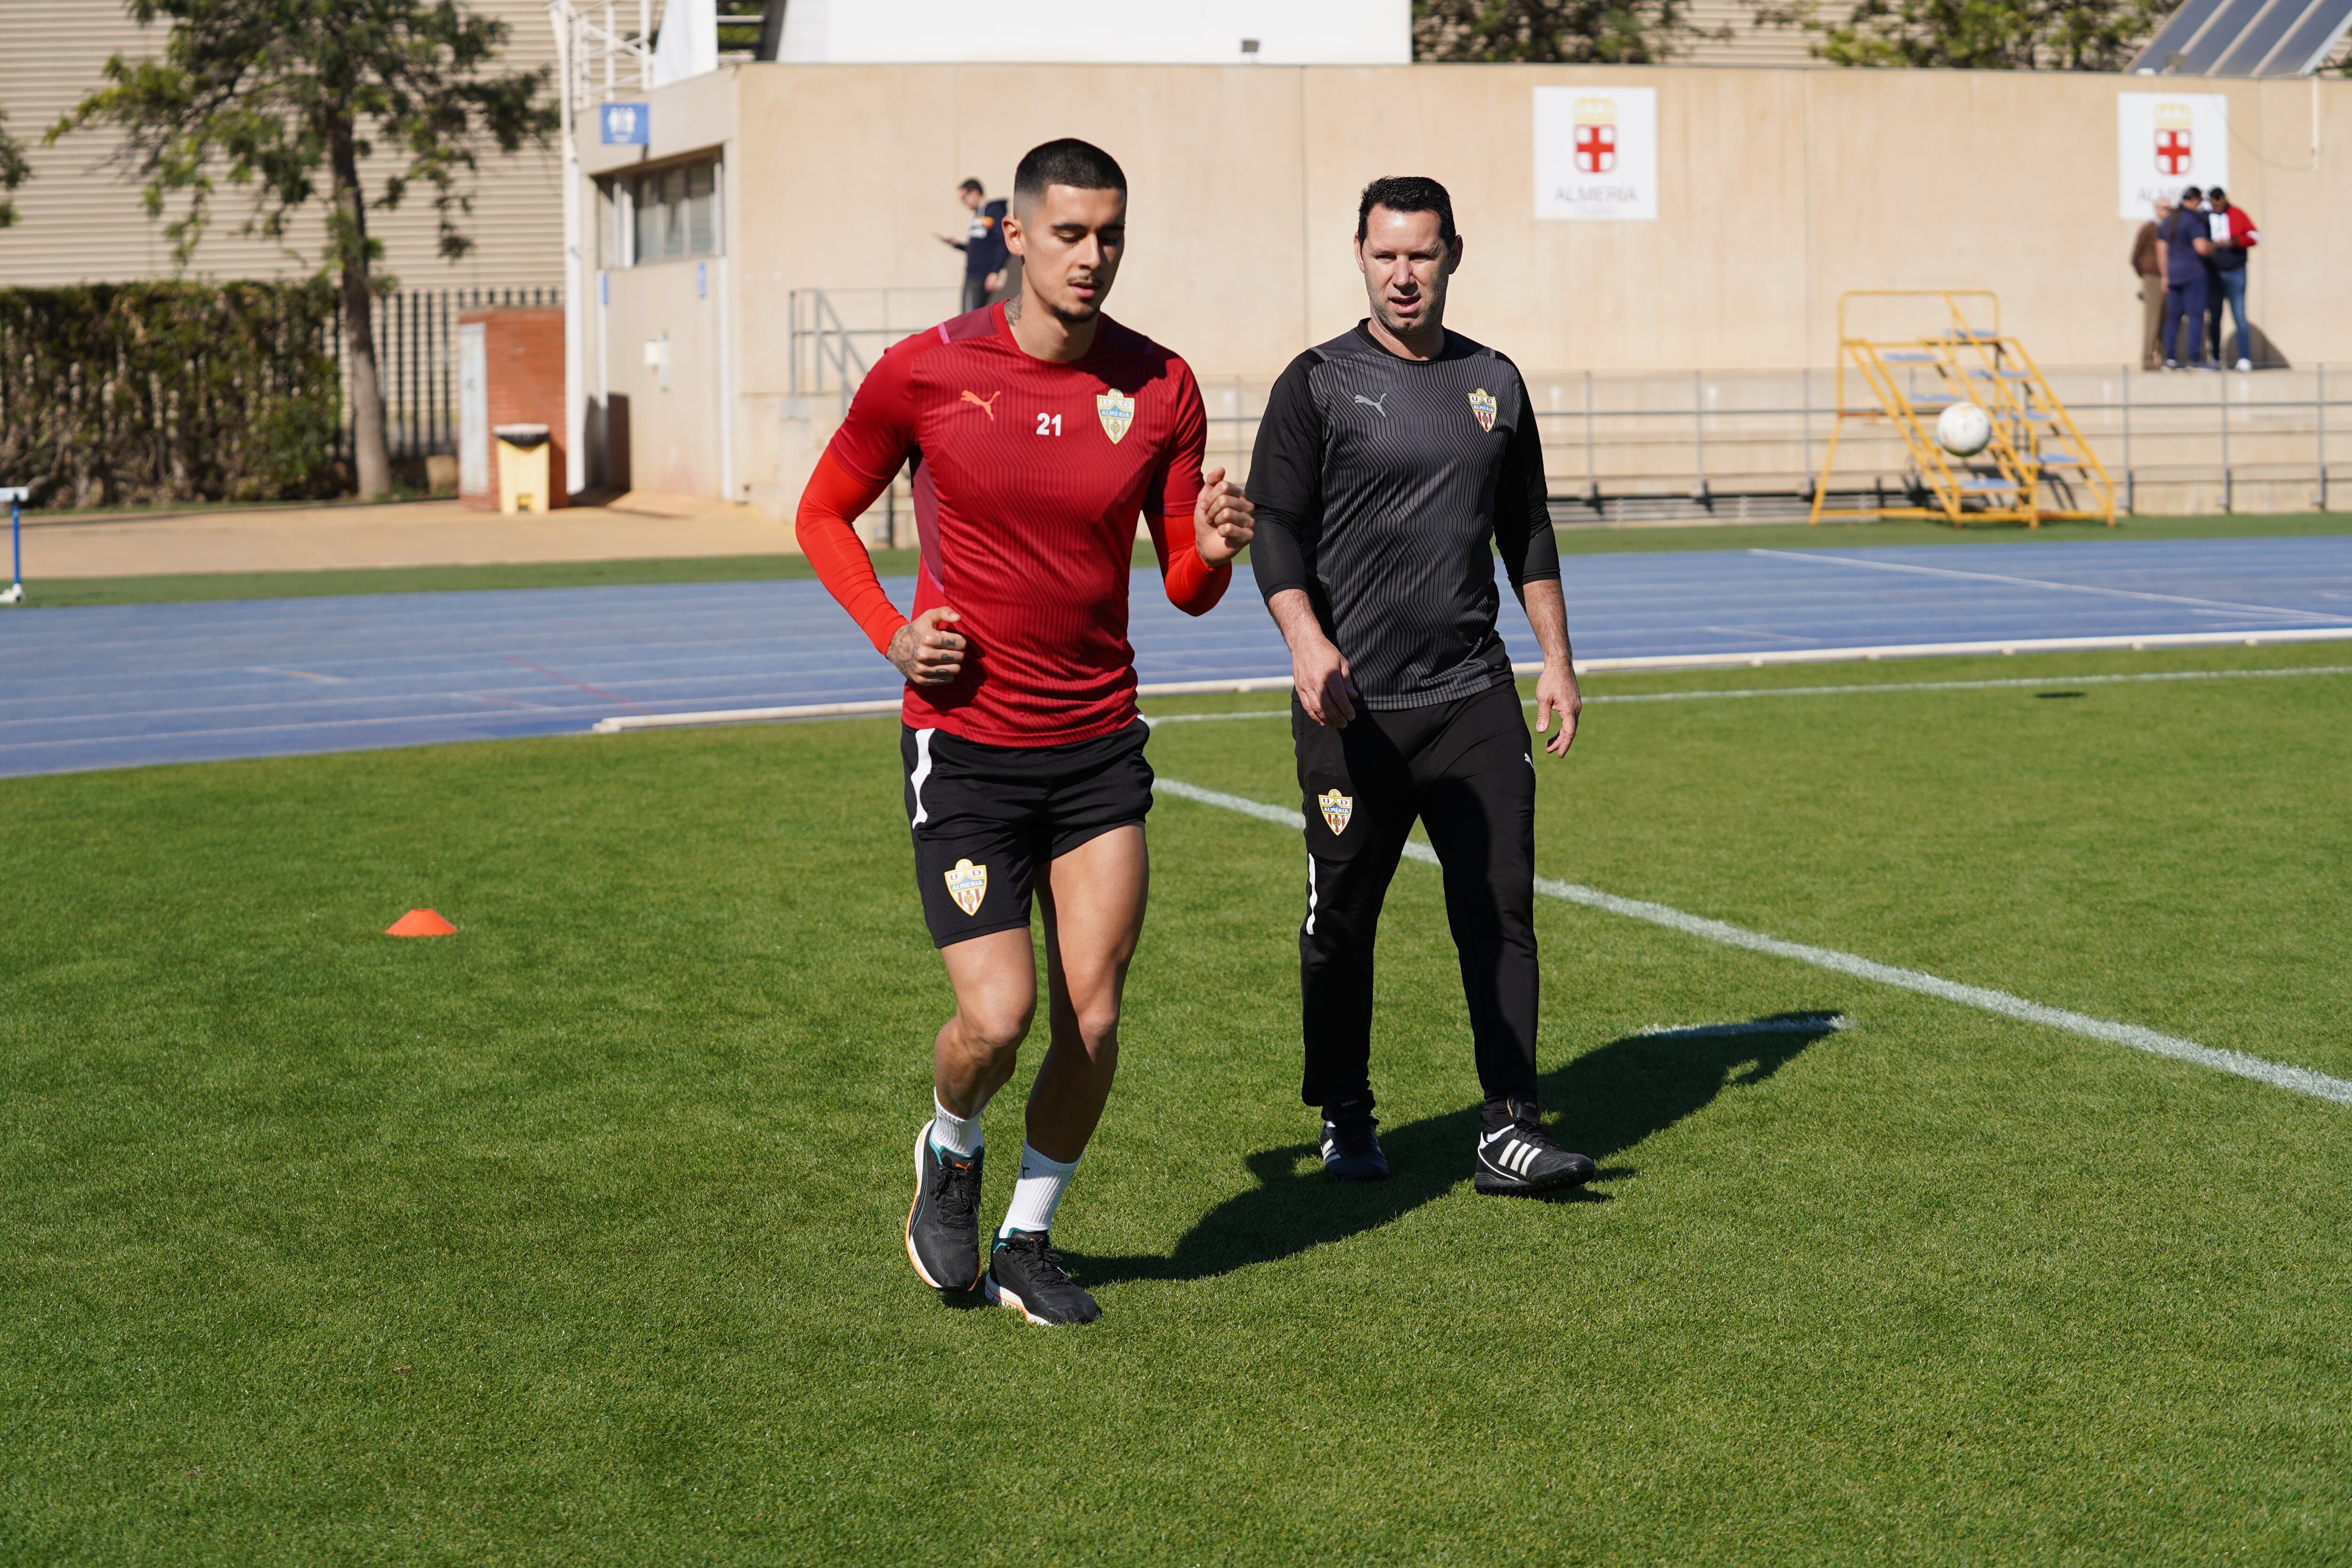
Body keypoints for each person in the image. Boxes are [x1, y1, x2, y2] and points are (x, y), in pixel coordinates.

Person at [797, 139, 1256, 1325]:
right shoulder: (925, 373)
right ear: (1015, 234)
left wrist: (1214, 540)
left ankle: (1028, 1238)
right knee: (997, 1020)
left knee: (1093, 1014)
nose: (1093, 256)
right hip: (967, 749)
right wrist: (892, 635)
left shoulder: (1161, 386)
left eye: (1110, 235)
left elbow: (1186, 588)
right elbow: (824, 510)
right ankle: (949, 1147)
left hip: (1097, 744)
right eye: (1070, 233)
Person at [1240, 175, 1596, 1198]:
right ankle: (1345, 1112)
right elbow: (1274, 529)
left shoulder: (1496, 382)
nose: (1405, 274)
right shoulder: (1314, 380)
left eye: (1423, 254)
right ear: (1360, 254)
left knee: (1498, 906)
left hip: (1469, 696)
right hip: (1349, 709)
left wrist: (1556, 660)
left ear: (1453, 256)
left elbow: (1525, 528)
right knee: (1342, 919)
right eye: (1387, 254)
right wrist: (1306, 642)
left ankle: (1508, 1124)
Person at [2202, 187, 2260, 372]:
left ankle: (2244, 358)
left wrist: (2235, 241)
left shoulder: (2237, 213)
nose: (2217, 206)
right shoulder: (2204, 217)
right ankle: (2216, 359)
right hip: (2214, 274)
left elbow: (2255, 236)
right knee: (2215, 316)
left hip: (2236, 271)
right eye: (2214, 202)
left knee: (2239, 315)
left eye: (2220, 202)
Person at [934, 178, 1009, 315]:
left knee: (972, 320)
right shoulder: (977, 216)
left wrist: (995, 272)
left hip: (983, 276)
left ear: (975, 193)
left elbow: (1003, 244)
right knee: (967, 318)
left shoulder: (994, 212)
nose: (963, 202)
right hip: (972, 275)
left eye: (964, 197)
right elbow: (977, 248)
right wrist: (956, 244)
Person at [2159, 187, 2213, 371]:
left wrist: (2165, 275)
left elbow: (2161, 249)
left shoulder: (2168, 220)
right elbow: (2201, 248)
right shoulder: (2193, 219)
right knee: (2196, 317)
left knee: (2173, 318)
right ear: (2196, 200)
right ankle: (2195, 359)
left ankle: (2170, 359)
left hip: (2174, 275)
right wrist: (2214, 247)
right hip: (2193, 275)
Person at [2131, 199, 2170, 372]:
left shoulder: (2172, 228)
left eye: (2170, 209)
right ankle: (2148, 358)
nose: (2168, 211)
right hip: (2153, 277)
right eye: (2165, 208)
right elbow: (2135, 256)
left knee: (2166, 319)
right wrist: (2147, 274)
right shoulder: (2150, 229)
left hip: (2170, 278)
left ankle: (2164, 357)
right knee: (2153, 319)